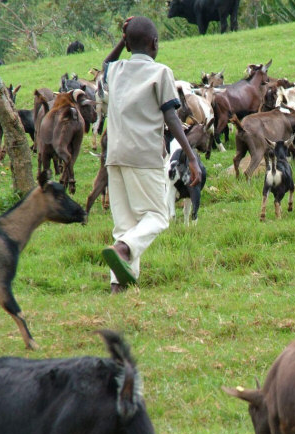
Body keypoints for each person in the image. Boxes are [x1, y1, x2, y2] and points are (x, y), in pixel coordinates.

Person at [101, 16, 201, 294]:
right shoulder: (160, 72)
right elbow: (171, 116)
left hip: (115, 157)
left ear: (128, 44)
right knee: (158, 216)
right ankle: (122, 250)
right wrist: (191, 157)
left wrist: (123, 40)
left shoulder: (117, 69)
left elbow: (105, 65)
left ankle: (118, 286)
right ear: (155, 43)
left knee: (125, 225)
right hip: (144, 155)